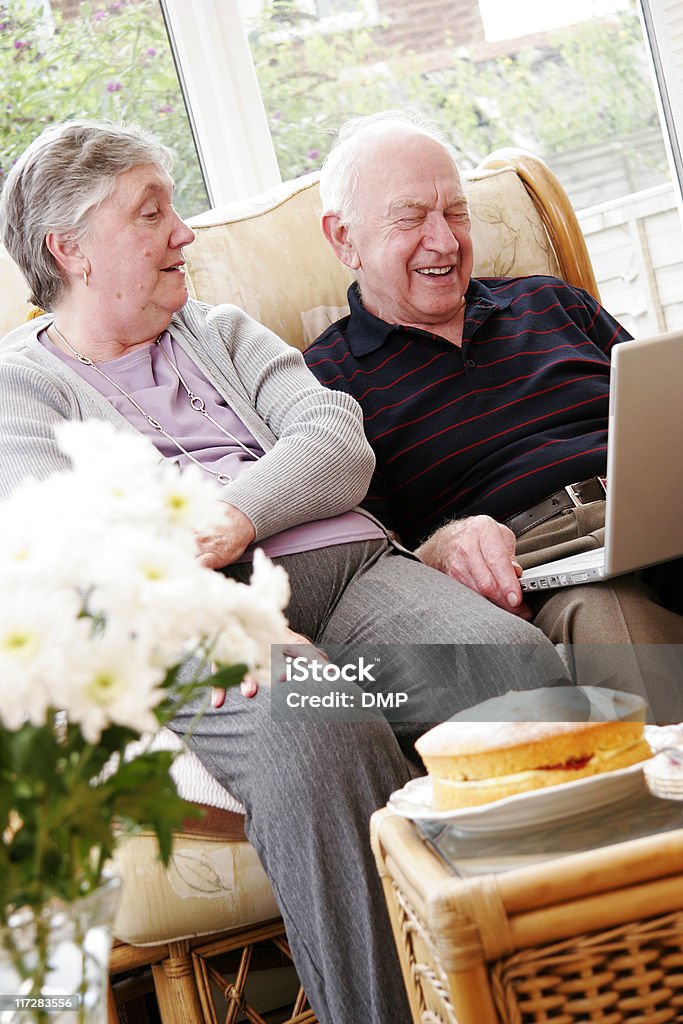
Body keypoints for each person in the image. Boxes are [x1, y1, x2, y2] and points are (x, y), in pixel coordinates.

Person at [0, 120, 573, 1024]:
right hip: (198, 614)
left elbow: (336, 443)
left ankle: (560, 992)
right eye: (151, 212)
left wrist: (234, 516)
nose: (182, 232)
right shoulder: (19, 390)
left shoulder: (222, 331)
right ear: (67, 248)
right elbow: (69, 546)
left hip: (343, 567)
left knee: (512, 671)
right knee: (321, 727)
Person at [305, 110, 683, 723]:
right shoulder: (325, 383)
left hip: (655, 511)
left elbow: (664, 409)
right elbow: (367, 567)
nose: (446, 241)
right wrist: (444, 547)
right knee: (613, 619)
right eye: (411, 218)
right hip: (548, 561)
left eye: (455, 212)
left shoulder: (551, 301)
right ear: (343, 238)